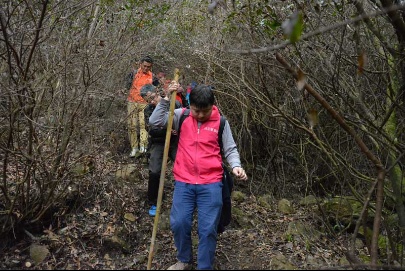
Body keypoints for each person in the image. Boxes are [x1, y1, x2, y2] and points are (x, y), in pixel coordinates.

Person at [149, 83, 248, 270]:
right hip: (184, 181)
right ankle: (184, 259)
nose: (201, 115)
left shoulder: (221, 122)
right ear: (189, 105)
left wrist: (236, 166)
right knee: (179, 223)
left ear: (213, 105)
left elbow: (230, 148)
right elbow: (155, 122)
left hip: (211, 183)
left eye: (206, 111)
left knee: (208, 229)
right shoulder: (182, 116)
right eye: (197, 111)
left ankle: (204, 266)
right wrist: (165, 99)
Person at [141, 84, 182, 217]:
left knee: (183, 165)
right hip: (158, 143)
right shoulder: (148, 110)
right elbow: (151, 129)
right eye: (149, 100)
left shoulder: (173, 103)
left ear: (158, 93)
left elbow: (184, 118)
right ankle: (154, 200)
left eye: (153, 98)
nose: (152, 102)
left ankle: (184, 195)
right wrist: (166, 129)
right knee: (154, 171)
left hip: (175, 141)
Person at [126, 55, 154, 158]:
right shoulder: (133, 74)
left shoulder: (152, 76)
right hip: (132, 101)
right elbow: (127, 86)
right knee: (131, 125)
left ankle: (143, 146)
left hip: (145, 103)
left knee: (144, 125)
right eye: (145, 66)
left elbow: (155, 89)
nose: (146, 68)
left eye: (148, 67)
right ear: (140, 64)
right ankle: (134, 148)